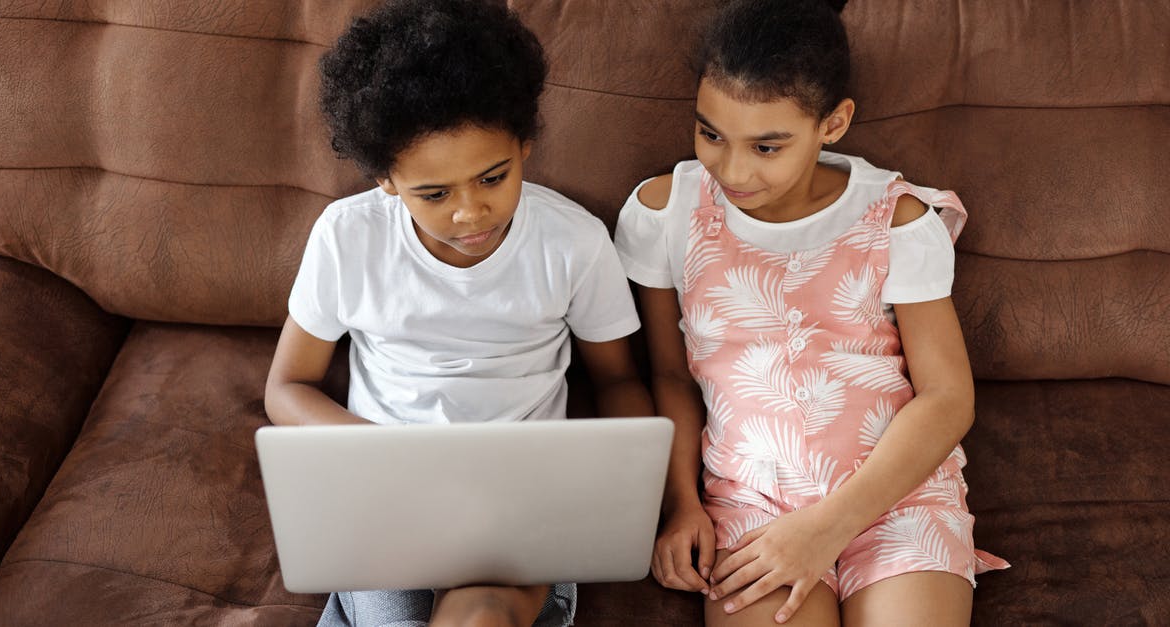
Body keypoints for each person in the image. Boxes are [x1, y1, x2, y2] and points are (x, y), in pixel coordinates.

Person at [613, 0, 1009, 624]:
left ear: (834, 123)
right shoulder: (664, 213)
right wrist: (681, 504)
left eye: (768, 146)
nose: (733, 170)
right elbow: (670, 376)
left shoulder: (897, 220)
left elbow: (947, 398)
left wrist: (829, 526)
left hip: (897, 492)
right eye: (711, 133)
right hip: (751, 499)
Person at [263, 1, 653, 625]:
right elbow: (287, 387)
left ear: (525, 147)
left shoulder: (573, 242)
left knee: (484, 617)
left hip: (519, 502)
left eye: (493, 178)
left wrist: (633, 487)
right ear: (388, 180)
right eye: (435, 194)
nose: (470, 213)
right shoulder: (347, 237)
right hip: (387, 492)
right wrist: (379, 454)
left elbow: (618, 379)